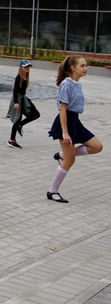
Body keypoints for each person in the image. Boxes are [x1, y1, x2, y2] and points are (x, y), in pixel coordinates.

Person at [46, 56, 104, 203]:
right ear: (73, 67)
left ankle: (61, 154)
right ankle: (52, 191)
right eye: (82, 66)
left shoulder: (76, 84)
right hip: (66, 122)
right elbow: (63, 110)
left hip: (75, 121)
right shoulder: (67, 84)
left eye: (86, 66)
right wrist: (65, 132)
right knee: (69, 160)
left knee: (97, 146)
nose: (85, 68)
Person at [7, 60, 40, 149]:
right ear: (21, 67)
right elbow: (15, 90)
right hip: (18, 99)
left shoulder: (26, 77)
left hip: (23, 98)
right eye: (25, 67)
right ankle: (11, 140)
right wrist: (16, 102)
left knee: (36, 114)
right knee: (17, 119)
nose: (27, 68)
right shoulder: (19, 77)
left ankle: (20, 125)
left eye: (28, 67)